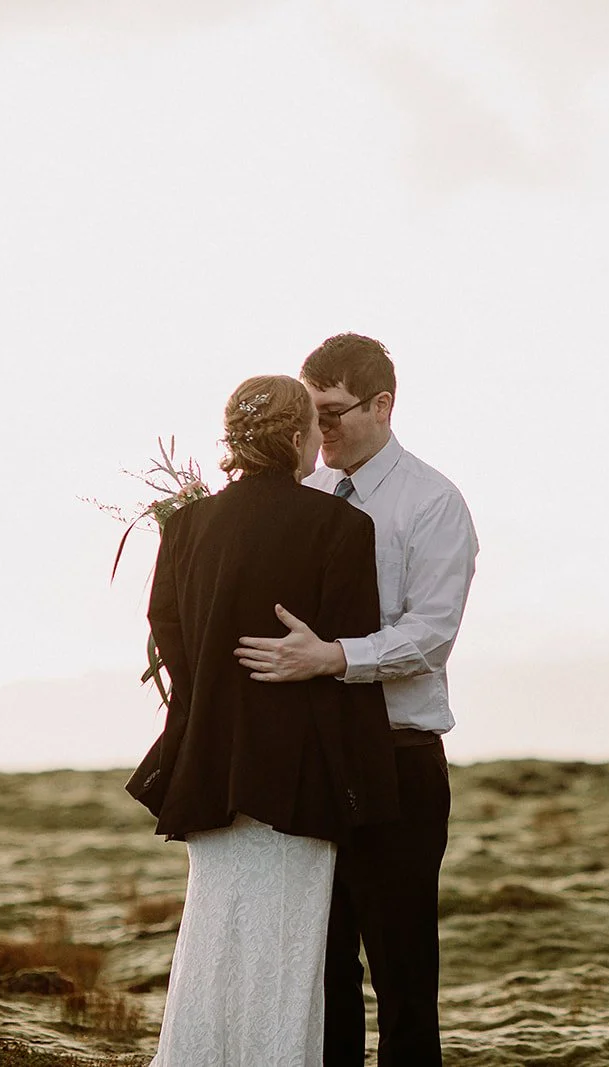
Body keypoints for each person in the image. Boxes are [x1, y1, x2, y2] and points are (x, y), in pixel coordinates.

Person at [128, 374, 400, 1066]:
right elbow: (345, 659)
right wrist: (368, 788)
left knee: (213, 941)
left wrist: (214, 693)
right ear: (293, 436)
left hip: (210, 771)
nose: (320, 438)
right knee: (287, 957)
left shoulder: (187, 525)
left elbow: (167, 627)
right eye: (313, 425)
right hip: (297, 781)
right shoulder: (341, 526)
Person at [234, 334, 478, 1066]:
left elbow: (431, 636)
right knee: (322, 971)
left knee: (404, 973)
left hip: (400, 760)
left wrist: (334, 657)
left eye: (333, 413)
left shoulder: (434, 503)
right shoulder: (297, 495)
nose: (318, 431)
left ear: (383, 404)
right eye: (311, 414)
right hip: (314, 764)